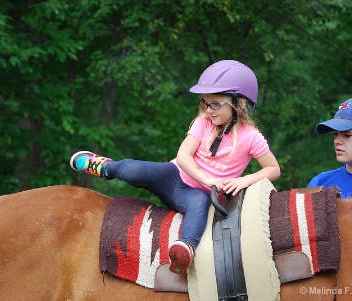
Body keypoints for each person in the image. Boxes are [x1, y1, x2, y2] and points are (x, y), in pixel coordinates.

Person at [70, 60, 281, 275]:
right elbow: (183, 156)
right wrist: (207, 179)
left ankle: (185, 247)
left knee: (200, 205)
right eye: (205, 103)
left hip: (196, 194)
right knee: (134, 170)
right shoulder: (202, 122)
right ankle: (107, 167)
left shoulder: (252, 137)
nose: (208, 110)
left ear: (240, 103)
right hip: (174, 177)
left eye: (216, 104)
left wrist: (243, 181)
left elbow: (273, 169)